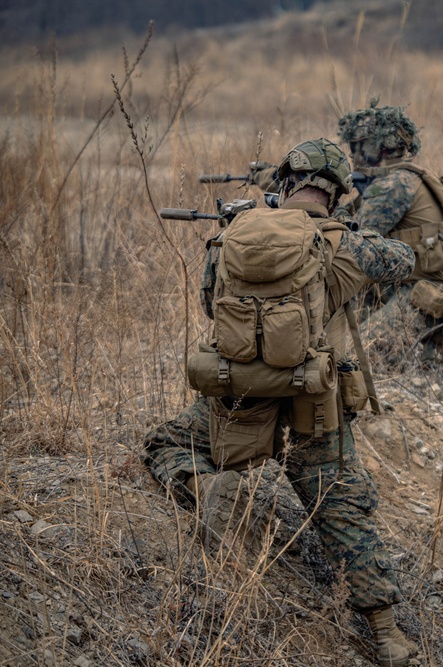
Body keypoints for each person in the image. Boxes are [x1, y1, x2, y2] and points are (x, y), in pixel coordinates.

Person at [143, 138, 418, 667]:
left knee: (166, 443)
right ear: (336, 193)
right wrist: (351, 234)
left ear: (285, 182)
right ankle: (386, 634)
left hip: (239, 398)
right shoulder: (344, 243)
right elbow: (402, 260)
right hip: (313, 407)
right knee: (342, 510)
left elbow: (210, 304)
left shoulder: (233, 235)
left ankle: (208, 485)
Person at [336, 102, 443, 375]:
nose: (353, 154)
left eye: (358, 146)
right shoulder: (414, 177)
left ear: (378, 148)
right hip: (432, 291)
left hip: (428, 297)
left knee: (355, 358)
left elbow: (352, 242)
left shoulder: (393, 185)